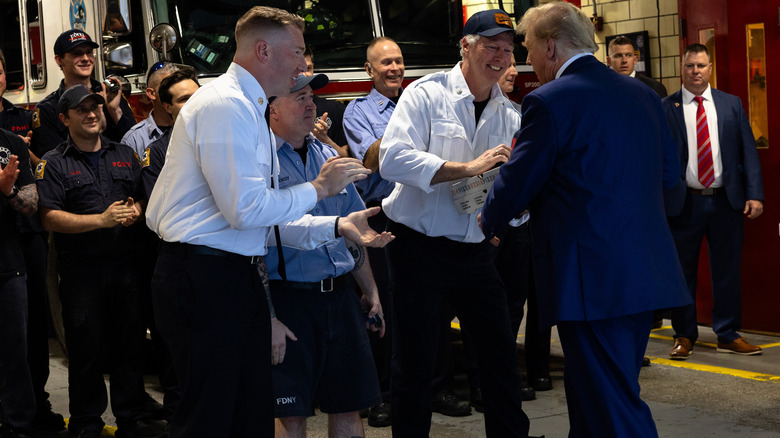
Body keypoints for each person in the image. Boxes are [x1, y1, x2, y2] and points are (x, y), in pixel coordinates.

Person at [144, 7, 392, 438]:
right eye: (296, 52)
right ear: (263, 50)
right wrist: (320, 189)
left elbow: (259, 222)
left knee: (247, 416)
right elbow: (247, 210)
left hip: (228, 272)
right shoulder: (226, 105)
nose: (303, 64)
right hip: (204, 275)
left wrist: (335, 227)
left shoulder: (247, 106)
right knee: (212, 418)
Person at [479, 3, 690, 436]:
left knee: (612, 403)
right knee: (595, 396)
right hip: (645, 270)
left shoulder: (549, 100)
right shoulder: (645, 95)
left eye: (529, 48)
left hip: (591, 278)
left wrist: (490, 218)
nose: (528, 60)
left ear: (551, 46)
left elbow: (518, 179)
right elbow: (671, 178)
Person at [379, 9, 532, 437]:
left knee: (501, 355)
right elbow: (392, 159)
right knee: (416, 361)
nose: (501, 56)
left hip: (476, 251)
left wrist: (515, 207)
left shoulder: (510, 114)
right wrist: (465, 168)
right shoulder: (425, 95)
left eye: (508, 48)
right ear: (465, 47)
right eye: (490, 45)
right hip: (417, 248)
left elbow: (509, 188)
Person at [35, 85, 165, 438]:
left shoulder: (124, 154)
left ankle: (131, 418)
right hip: (82, 275)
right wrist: (101, 221)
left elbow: (143, 198)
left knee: (130, 348)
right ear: (65, 119)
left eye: (96, 108)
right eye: (82, 110)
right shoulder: (53, 162)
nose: (93, 114)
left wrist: (137, 211)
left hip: (127, 269)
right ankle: (86, 423)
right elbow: (49, 217)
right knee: (85, 353)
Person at [266, 73, 384, 438]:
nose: (310, 105)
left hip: (339, 297)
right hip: (289, 300)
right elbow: (256, 243)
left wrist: (371, 292)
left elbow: (354, 227)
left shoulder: (329, 156)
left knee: (349, 406)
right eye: (298, 97)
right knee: (291, 414)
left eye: (311, 97)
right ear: (272, 109)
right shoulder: (261, 162)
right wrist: (268, 316)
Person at [662, 43, 764, 360]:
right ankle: (683, 334)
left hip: (726, 202)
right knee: (683, 272)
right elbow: (657, 158)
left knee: (727, 270)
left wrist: (755, 193)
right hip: (684, 203)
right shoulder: (667, 107)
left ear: (710, 68)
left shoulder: (731, 104)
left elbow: (748, 151)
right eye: (690, 65)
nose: (696, 71)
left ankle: (728, 333)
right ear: (682, 68)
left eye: (701, 66)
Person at [1, 48, 66, 432]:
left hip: (15, 254)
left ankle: (25, 417)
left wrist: (8, 191)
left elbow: (32, 195)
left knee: (23, 340)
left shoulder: (16, 132)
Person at [31, 29, 135, 161]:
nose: (86, 59)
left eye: (89, 52)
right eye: (77, 54)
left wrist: (115, 111)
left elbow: (134, 144)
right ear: (59, 60)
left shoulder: (112, 94)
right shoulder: (47, 109)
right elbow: (54, 162)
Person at [0, 129, 38, 438]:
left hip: (7, 266)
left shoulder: (11, 144)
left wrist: (8, 191)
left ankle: (19, 427)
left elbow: (31, 203)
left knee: (15, 353)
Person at [141, 70, 200, 198]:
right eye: (184, 99)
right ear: (168, 107)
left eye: (197, 96)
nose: (194, 103)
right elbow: (158, 203)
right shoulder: (157, 151)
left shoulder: (222, 137)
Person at [121, 62, 182, 157]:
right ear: (151, 93)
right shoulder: (134, 139)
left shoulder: (192, 128)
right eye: (168, 87)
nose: (176, 92)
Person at [304, 47, 349, 157]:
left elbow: (348, 159)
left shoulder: (335, 110)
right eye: (299, 69)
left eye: (308, 68)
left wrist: (324, 140)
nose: (305, 74)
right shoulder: (275, 112)